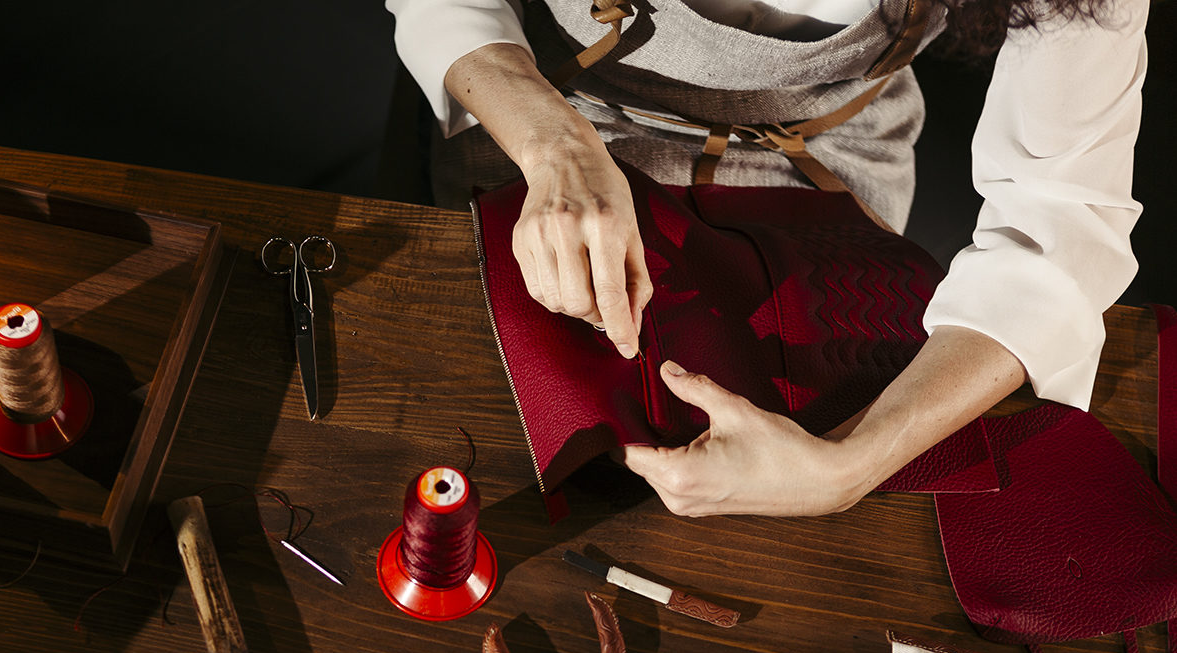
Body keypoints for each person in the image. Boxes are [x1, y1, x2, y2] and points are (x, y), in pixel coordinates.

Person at [386, 0, 1147, 516]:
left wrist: (844, 469)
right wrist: (552, 143)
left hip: (815, 146)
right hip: (532, 95)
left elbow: (1062, 214)